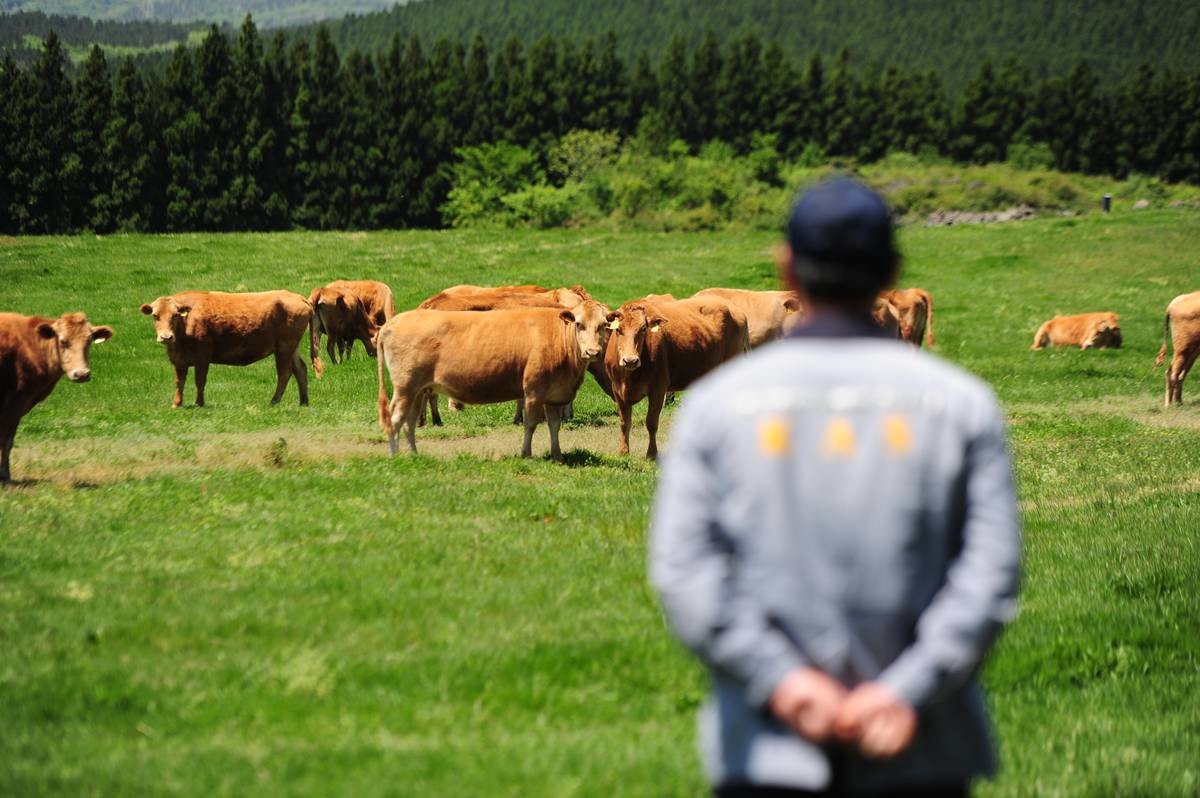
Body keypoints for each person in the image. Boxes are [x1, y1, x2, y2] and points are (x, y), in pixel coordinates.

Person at [649, 178, 1022, 797]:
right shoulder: (960, 405)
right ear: (892, 273)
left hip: (770, 746)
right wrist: (906, 690)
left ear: (786, 271)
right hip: (921, 746)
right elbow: (991, 574)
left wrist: (784, 682)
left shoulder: (717, 407)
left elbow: (686, 571)